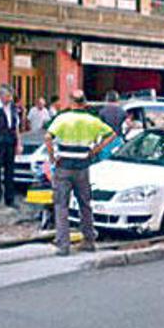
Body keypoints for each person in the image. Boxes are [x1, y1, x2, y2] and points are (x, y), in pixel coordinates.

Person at [45, 90, 117, 256]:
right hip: (83, 166)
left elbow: (48, 137)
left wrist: (52, 157)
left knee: (61, 205)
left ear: (71, 102)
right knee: (85, 204)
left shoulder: (62, 118)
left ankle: (64, 244)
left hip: (64, 166)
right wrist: (96, 149)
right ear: (84, 103)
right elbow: (111, 134)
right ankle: (89, 240)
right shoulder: (92, 121)